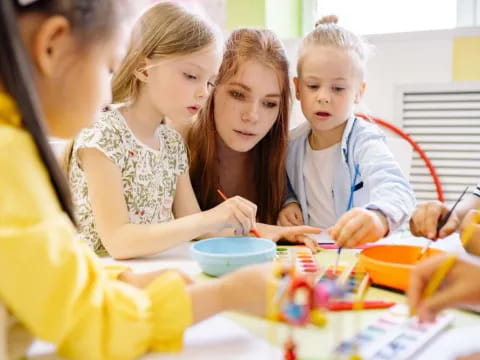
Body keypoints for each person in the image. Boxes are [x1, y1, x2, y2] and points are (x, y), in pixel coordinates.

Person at [0, 1, 277, 358]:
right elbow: (96, 324)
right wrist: (225, 295)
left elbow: (47, 273)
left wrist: (123, 281)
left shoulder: (170, 140)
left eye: (208, 81)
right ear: (52, 45)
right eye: (110, 66)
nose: (106, 95)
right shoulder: (11, 158)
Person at [67, 2, 260, 259]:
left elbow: (196, 226)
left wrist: (273, 232)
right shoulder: (103, 135)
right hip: (104, 283)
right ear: (143, 69)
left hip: (153, 275)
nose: (204, 92)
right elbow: (118, 241)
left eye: (210, 81)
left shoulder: (171, 143)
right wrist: (210, 218)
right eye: (191, 75)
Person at [278, 15, 415, 248]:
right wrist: (288, 202)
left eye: (338, 88)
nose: (323, 97)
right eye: (313, 86)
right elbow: (283, 183)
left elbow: (397, 189)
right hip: (313, 251)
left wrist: (378, 217)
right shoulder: (291, 144)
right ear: (298, 88)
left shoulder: (365, 141)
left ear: (358, 92)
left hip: (358, 252)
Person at [188, 28, 322, 251]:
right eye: (238, 95)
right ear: (211, 87)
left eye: (269, 103)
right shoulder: (177, 145)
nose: (252, 116)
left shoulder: (285, 160)